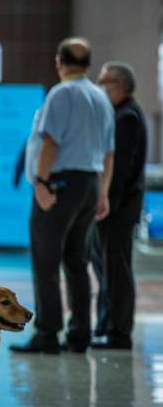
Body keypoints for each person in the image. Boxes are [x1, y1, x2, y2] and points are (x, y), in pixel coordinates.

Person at [11, 38, 115, 355]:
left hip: (59, 186)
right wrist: (103, 193)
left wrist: (41, 183)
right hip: (89, 185)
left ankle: (47, 333)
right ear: (88, 64)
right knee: (76, 261)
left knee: (46, 261)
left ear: (60, 61)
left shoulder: (62, 93)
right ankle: (80, 333)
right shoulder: (101, 97)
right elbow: (109, 153)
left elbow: (51, 143)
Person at [90, 62, 147, 350]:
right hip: (114, 206)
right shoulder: (118, 114)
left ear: (122, 86)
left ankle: (119, 332)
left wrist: (105, 201)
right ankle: (106, 322)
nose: (100, 87)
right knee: (105, 267)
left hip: (118, 208)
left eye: (106, 81)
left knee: (116, 270)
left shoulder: (127, 117)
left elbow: (120, 169)